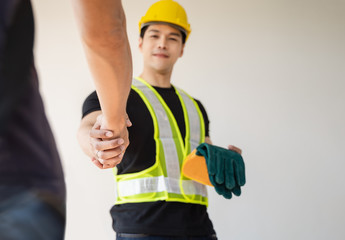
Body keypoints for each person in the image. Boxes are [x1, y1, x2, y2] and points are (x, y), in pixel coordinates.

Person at [78, 0, 242, 239]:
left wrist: (222, 162)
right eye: (155, 35)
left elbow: (198, 164)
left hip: (199, 229)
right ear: (141, 43)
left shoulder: (195, 106)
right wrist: (94, 142)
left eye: (173, 38)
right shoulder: (114, 94)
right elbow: (87, 128)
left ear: (182, 49)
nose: (163, 43)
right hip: (141, 229)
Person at [0, 0, 132, 239]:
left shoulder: (193, 105)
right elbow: (106, 31)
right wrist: (114, 124)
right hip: (15, 180)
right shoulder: (114, 97)